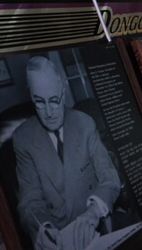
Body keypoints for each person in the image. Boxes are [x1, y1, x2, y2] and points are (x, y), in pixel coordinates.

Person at [13, 56, 121, 250]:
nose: (48, 112)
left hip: (98, 228)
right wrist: (43, 228)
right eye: (39, 102)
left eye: (54, 100)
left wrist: (93, 211)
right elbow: (30, 201)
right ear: (31, 97)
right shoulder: (23, 139)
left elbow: (110, 177)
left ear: (63, 92)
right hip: (60, 240)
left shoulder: (85, 123)